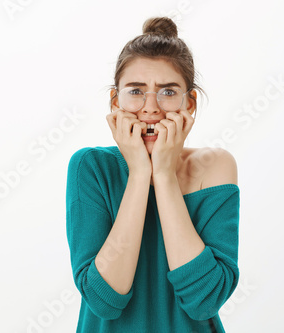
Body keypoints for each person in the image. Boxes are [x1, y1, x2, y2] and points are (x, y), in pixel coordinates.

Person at [65, 17, 240, 332]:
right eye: (136, 91)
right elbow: (104, 300)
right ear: (115, 102)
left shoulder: (214, 166)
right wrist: (138, 173)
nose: (150, 108)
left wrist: (163, 174)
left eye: (168, 92)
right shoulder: (90, 166)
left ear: (190, 103)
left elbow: (204, 301)